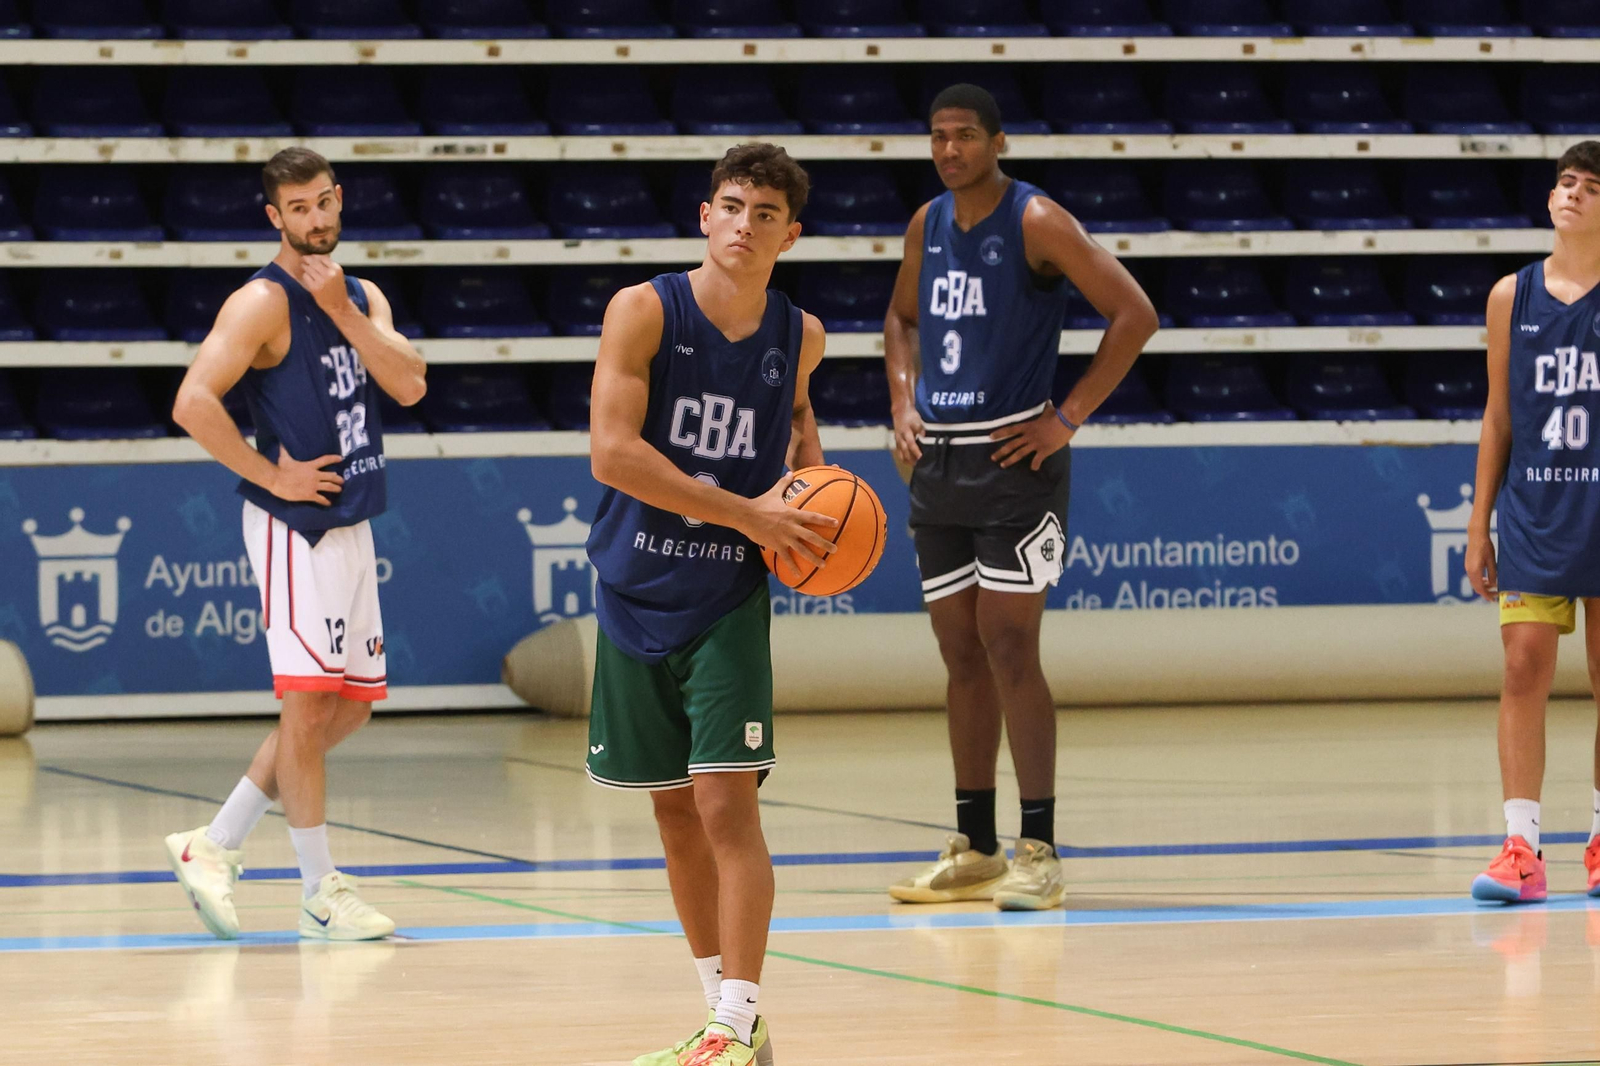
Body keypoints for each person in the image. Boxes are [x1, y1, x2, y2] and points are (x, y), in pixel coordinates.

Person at [585, 143, 832, 1066]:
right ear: (704, 214)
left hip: (727, 596)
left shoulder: (799, 335)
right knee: (673, 812)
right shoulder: (644, 309)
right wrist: (747, 511)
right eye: (732, 206)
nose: (744, 224)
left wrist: (814, 498)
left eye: (765, 214)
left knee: (728, 807)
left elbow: (800, 430)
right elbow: (613, 454)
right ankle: (725, 1022)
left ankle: (734, 1016)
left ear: (790, 234)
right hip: (633, 585)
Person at [882, 84, 1158, 911]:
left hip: (1014, 460)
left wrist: (1067, 418)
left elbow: (1134, 314)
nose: (949, 149)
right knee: (958, 653)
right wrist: (903, 402)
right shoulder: (926, 225)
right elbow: (898, 321)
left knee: (1009, 647)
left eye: (965, 135)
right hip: (940, 464)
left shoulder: (1037, 221)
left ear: (998, 142)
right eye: (938, 137)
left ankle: (1039, 847)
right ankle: (976, 844)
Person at [164, 147, 426, 940]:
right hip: (294, 527)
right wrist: (266, 475)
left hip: (351, 520)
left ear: (339, 200)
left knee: (350, 709)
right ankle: (320, 890)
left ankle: (215, 842)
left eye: (323, 203)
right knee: (308, 707)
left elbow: (411, 384)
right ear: (273, 216)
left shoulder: (361, 292)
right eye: (297, 209)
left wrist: (348, 312)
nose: (315, 220)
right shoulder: (260, 302)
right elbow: (192, 401)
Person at [1466, 140, 1600, 904]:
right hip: (1536, 512)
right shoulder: (1510, 297)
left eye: (1588, 186)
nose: (1571, 194)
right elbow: (1497, 418)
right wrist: (1478, 521)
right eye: (1564, 182)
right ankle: (1521, 847)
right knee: (1523, 668)